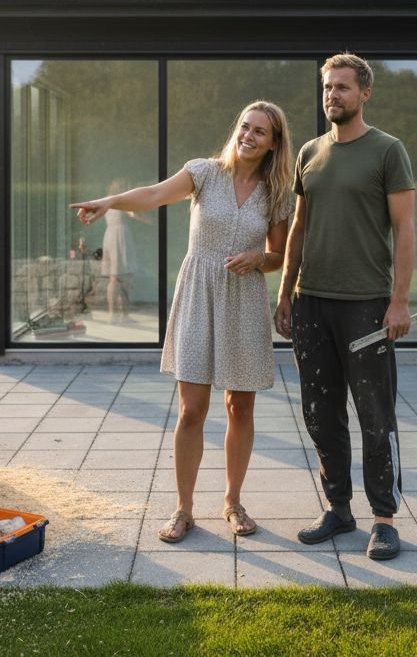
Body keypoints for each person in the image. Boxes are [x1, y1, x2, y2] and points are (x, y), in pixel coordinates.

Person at [71, 101, 295, 542]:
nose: (248, 135)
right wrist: (109, 201)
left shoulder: (276, 192)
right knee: (192, 410)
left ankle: (232, 502)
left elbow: (282, 255)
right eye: (245, 126)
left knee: (240, 407)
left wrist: (259, 258)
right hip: (197, 293)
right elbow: (153, 195)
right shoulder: (205, 172)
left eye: (260, 132)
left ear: (273, 143)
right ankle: (183, 509)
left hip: (244, 298)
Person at [274, 54, 416, 561]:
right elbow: (299, 228)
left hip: (367, 306)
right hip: (312, 303)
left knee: (376, 415)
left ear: (364, 94)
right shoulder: (309, 152)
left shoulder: (387, 151)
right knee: (321, 415)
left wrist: (398, 302)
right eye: (327, 87)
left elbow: (405, 231)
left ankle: (384, 519)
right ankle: (338, 509)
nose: (332, 95)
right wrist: (286, 291)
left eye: (342, 88)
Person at [97, 178, 147, 322]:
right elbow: (133, 213)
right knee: (121, 277)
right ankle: (119, 314)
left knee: (117, 277)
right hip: (119, 237)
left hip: (110, 236)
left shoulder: (107, 200)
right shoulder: (120, 201)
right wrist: (149, 222)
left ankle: (116, 314)